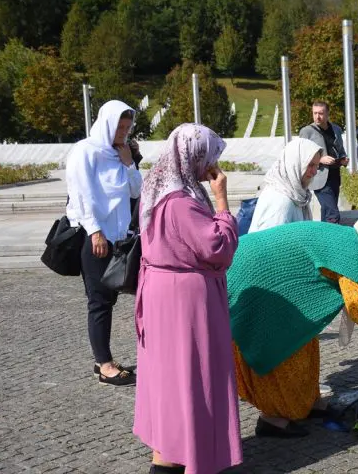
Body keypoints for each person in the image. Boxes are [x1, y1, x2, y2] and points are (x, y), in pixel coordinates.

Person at [133, 124, 242, 474]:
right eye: (209, 156)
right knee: (194, 374)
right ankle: (189, 454)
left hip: (161, 293)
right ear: (195, 157)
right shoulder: (181, 202)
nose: (212, 163)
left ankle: (168, 453)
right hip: (186, 299)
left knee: (169, 376)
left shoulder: (156, 187)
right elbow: (218, 249)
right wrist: (223, 200)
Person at [227, 220, 358, 438]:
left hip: (250, 264)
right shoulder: (352, 253)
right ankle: (273, 418)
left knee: (303, 336)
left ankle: (306, 403)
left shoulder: (347, 238)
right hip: (253, 278)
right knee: (282, 347)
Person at [65, 100, 142, 386]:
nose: (123, 132)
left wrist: (129, 163)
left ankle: (105, 358)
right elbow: (81, 193)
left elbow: (137, 190)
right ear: (106, 123)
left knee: (110, 299)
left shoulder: (118, 153)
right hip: (95, 236)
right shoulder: (85, 151)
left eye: (127, 127)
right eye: (119, 126)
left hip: (120, 239)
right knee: (99, 301)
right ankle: (104, 364)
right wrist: (95, 231)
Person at [248, 138, 322, 233]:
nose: (315, 172)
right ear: (294, 164)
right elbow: (271, 245)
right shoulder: (280, 201)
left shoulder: (294, 194)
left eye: (317, 166)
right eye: (310, 165)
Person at [298, 101, 348, 223]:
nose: (317, 116)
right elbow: (300, 155)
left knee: (326, 211)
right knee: (333, 214)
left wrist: (344, 159)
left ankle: (322, 240)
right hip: (318, 177)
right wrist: (320, 159)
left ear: (327, 113)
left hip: (335, 176)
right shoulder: (306, 131)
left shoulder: (336, 129)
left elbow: (340, 149)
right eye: (315, 113)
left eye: (320, 113)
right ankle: (333, 241)